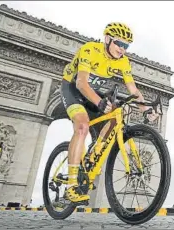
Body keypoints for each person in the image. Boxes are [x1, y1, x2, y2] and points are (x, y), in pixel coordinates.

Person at [61, 22, 159, 203]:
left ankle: (95, 151)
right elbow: (81, 83)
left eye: (126, 46)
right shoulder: (90, 50)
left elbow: (132, 88)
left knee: (116, 117)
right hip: (73, 88)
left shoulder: (123, 61)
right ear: (107, 39)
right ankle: (71, 186)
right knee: (82, 126)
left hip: (94, 92)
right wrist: (99, 102)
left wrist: (145, 108)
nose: (122, 49)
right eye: (118, 43)